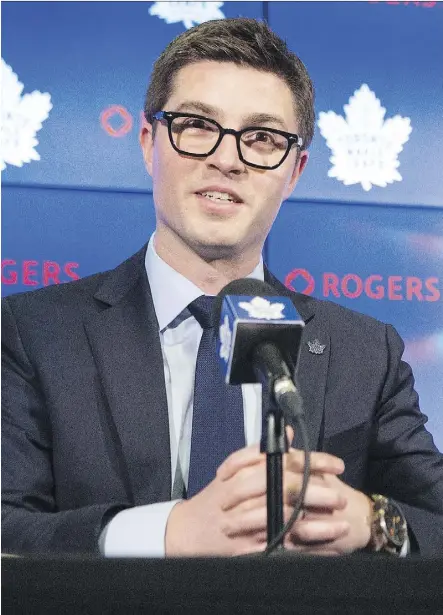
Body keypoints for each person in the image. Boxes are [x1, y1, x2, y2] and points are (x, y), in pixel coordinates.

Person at [2, 18, 443, 558]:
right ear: (149, 142)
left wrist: (373, 522)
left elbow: (433, 517)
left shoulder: (364, 353)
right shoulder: (33, 333)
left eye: (261, 138)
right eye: (197, 125)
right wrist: (168, 533)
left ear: (296, 171)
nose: (227, 159)